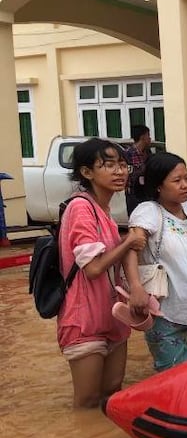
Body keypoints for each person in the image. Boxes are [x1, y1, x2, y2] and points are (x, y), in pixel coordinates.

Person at [57, 138, 146, 408]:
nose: (119, 172)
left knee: (112, 393)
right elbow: (94, 268)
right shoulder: (80, 208)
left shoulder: (104, 210)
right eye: (108, 165)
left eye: (122, 165)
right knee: (87, 401)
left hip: (113, 316)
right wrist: (128, 242)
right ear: (86, 172)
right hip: (84, 320)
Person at [123, 152, 187, 371]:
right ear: (158, 186)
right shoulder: (148, 212)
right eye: (177, 180)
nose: (185, 185)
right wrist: (136, 287)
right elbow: (131, 248)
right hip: (171, 317)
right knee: (177, 385)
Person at [124, 124, 152, 215]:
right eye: (148, 135)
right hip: (133, 192)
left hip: (146, 192)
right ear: (143, 137)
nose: (150, 139)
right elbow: (127, 173)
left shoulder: (148, 153)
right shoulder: (129, 154)